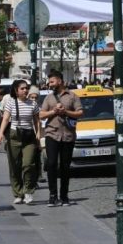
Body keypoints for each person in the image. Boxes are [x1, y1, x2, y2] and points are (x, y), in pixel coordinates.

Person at [40, 70, 83, 207]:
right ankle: (53, 195)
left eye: (52, 81)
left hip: (68, 136)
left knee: (65, 167)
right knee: (51, 164)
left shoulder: (73, 96)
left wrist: (65, 111)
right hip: (52, 134)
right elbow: (41, 115)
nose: (49, 84)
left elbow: (80, 113)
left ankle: (64, 196)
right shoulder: (49, 98)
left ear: (59, 81)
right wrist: (54, 111)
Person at [0, 80, 41, 204]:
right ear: (16, 90)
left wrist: (38, 135)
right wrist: (0, 135)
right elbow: (5, 119)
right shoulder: (11, 103)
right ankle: (18, 193)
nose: (25, 91)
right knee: (14, 165)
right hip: (14, 135)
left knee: (28, 164)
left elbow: (37, 121)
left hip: (29, 136)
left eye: (26, 88)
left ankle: (28, 191)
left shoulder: (33, 104)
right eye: (22, 89)